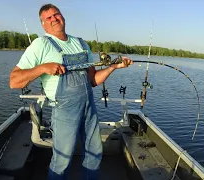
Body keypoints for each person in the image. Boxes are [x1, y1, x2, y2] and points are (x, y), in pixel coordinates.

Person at [9, 3, 133, 180]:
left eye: (56, 14)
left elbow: (93, 80)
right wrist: (42, 68)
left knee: (95, 152)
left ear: (63, 17)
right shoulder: (40, 44)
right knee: (62, 160)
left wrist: (114, 67)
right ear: (43, 24)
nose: (54, 19)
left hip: (89, 107)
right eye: (48, 18)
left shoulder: (80, 43)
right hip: (64, 110)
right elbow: (14, 81)